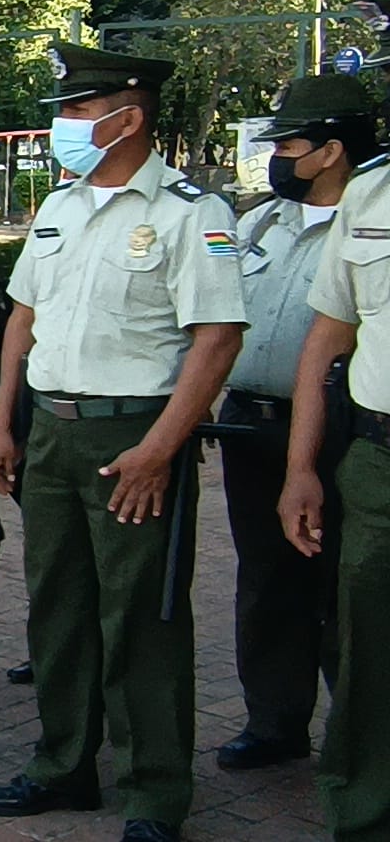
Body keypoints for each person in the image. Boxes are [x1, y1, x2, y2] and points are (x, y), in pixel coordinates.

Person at [0, 44, 246, 842]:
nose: (63, 124)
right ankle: (64, 765)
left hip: (137, 435)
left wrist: (162, 448)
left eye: (78, 109)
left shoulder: (190, 214)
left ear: (129, 117)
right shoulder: (59, 207)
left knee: (141, 616)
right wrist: (3, 423)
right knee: (57, 607)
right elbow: (22, 321)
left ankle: (155, 791)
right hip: (52, 430)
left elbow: (217, 340)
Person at [212, 75, 374, 773]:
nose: (278, 156)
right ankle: (274, 722)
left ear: (332, 150)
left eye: (292, 144)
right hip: (252, 424)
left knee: (345, 583)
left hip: (342, 428)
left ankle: (357, 735)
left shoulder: (369, 222)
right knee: (267, 577)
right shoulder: (258, 224)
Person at [281, 86, 390, 842]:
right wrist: (301, 468)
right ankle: (364, 812)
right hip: (379, 461)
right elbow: (327, 338)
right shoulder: (371, 194)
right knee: (369, 645)